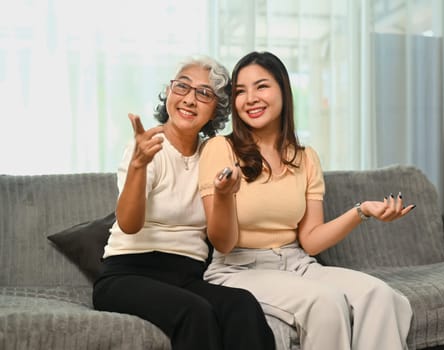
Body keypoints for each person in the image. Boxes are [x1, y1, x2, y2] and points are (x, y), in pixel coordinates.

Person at [198, 51, 414, 350]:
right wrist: (223, 196)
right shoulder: (220, 149)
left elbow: (310, 241)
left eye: (261, 86)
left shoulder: (305, 157)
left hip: (297, 263)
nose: (250, 98)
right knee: (325, 303)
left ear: (283, 91)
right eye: (240, 91)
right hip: (238, 268)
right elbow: (222, 244)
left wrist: (362, 211)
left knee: (379, 295)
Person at [92, 55, 275, 350]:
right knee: (195, 313)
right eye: (182, 88)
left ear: (217, 109)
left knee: (242, 306)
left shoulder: (213, 155)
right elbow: (128, 223)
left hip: (187, 276)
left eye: (204, 94)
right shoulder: (147, 147)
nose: (190, 99)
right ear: (169, 94)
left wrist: (225, 196)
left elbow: (225, 243)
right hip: (127, 274)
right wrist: (139, 166)